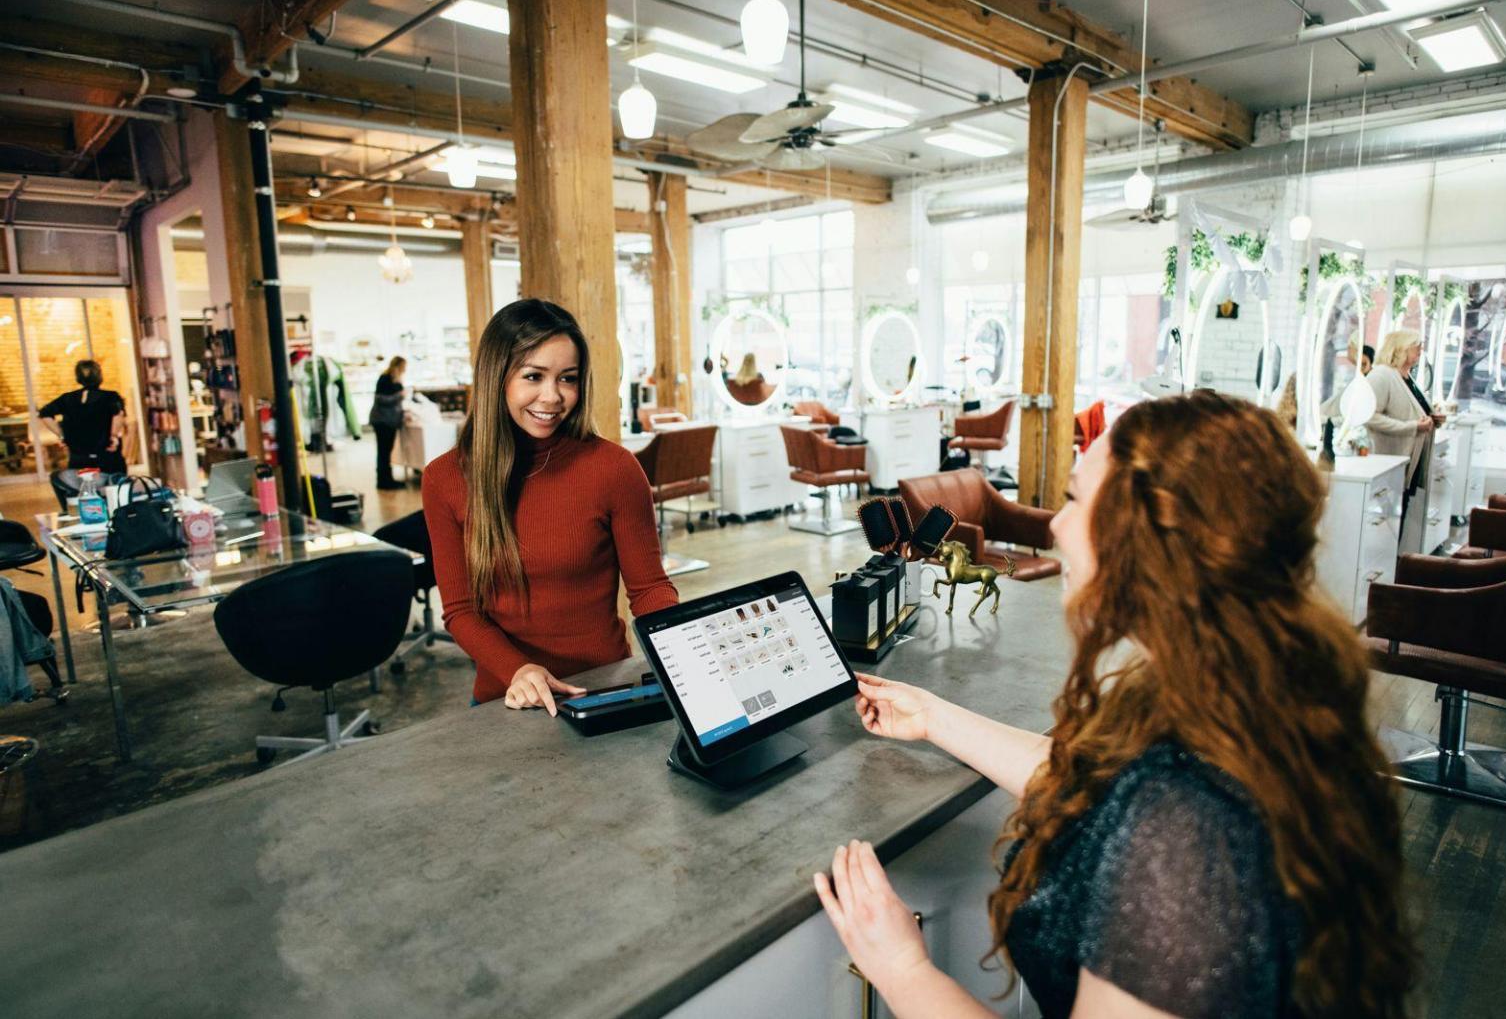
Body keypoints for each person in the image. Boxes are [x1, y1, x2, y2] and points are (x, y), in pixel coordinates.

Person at [814, 392, 1413, 1019]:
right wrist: (935, 717)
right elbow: (1096, 784)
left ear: (1151, 537)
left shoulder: (1185, 834)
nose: (1055, 526)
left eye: (1074, 499)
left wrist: (901, 969)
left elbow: (1150, 803)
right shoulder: (1250, 690)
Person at [422, 299, 679, 711]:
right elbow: (460, 610)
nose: (553, 396)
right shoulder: (445, 478)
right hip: (507, 697)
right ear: (497, 378)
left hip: (602, 689)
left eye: (567, 378)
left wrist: (682, 646)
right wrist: (519, 669)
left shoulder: (614, 468)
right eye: (533, 376)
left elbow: (649, 589)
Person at [1367, 330, 1441, 494]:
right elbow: (1370, 417)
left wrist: (1432, 418)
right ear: (1401, 349)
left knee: (1403, 507)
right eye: (1416, 347)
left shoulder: (1406, 377)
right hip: (1391, 457)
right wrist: (1412, 426)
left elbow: (1413, 409)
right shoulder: (1381, 376)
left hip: (1410, 455)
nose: (1420, 352)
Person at [38, 359, 127, 474]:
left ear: (78, 378)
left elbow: (44, 414)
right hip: (106, 455)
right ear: (99, 376)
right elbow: (118, 415)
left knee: (81, 487)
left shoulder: (67, 398)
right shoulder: (111, 397)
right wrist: (113, 437)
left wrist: (62, 435)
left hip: (78, 457)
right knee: (113, 487)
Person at [369, 356, 408, 490]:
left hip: (389, 421)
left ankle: (387, 479)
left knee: (386, 451)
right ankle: (384, 481)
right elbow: (380, 399)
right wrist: (400, 395)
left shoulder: (394, 379)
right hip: (383, 421)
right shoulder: (385, 378)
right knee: (384, 452)